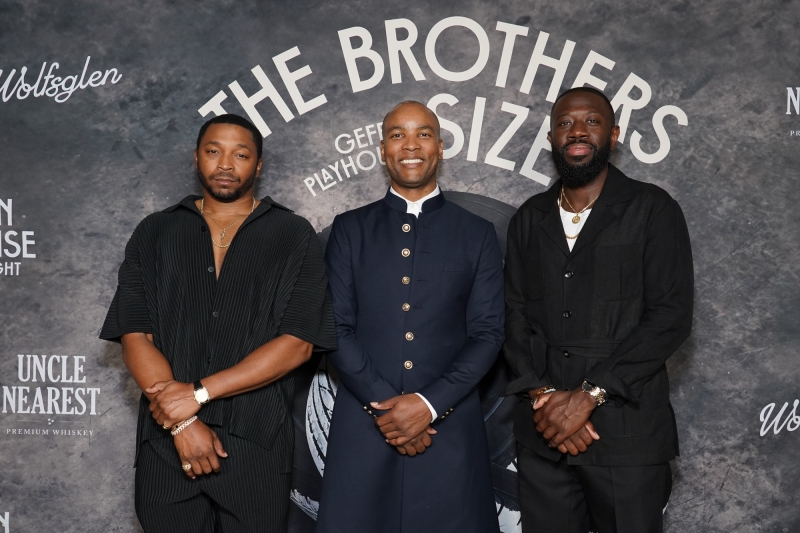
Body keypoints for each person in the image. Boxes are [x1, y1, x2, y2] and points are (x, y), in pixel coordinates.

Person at [99, 114, 336, 533]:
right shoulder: (155, 231)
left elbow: (297, 343)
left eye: (240, 154)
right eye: (214, 151)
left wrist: (199, 393)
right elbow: (136, 336)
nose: (225, 164)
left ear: (258, 165)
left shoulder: (292, 234)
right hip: (167, 444)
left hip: (257, 441)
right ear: (197, 157)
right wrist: (183, 422)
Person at [503, 87, 693, 533]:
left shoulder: (653, 209)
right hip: (544, 436)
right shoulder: (529, 217)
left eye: (591, 121)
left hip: (626, 436)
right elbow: (513, 315)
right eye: (565, 123)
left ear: (613, 134)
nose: (577, 131)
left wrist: (589, 397)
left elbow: (670, 317)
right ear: (551, 137)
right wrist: (544, 397)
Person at [315, 101, 505, 533]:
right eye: (397, 135)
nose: (411, 145)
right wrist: (389, 409)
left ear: (439, 147)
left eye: (423, 133)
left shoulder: (477, 234)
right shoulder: (349, 229)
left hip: (449, 426)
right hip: (365, 423)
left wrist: (428, 404)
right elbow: (336, 327)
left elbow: (488, 333)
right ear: (383, 150)